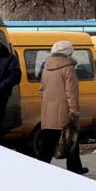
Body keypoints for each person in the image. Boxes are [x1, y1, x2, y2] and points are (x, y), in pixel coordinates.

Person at [36, 40, 87, 175]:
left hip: (48, 111)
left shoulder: (46, 67)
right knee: (70, 137)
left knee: (48, 141)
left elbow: (41, 90)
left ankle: (41, 166)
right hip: (64, 110)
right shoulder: (68, 68)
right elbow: (71, 92)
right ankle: (73, 167)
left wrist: (48, 103)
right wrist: (74, 111)